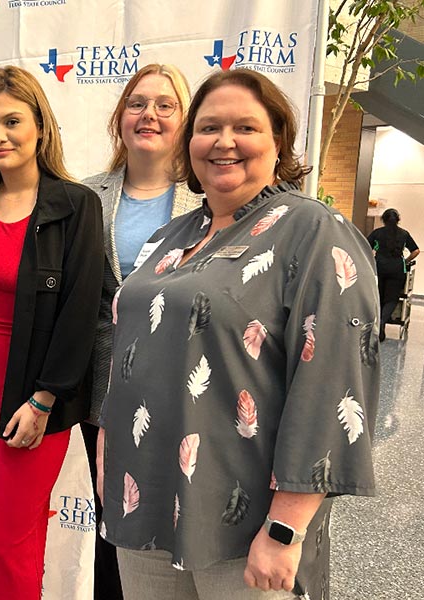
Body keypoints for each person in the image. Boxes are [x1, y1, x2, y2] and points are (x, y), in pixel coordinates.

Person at [98, 69, 379, 600]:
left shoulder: (312, 231)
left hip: (245, 523)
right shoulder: (171, 236)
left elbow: (333, 383)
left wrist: (285, 528)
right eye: (208, 128)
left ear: (279, 143)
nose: (224, 142)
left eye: (245, 128)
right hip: (147, 506)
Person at [0, 65, 104, 600]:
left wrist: (43, 399)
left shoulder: (75, 204)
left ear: (40, 125)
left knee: (9, 536)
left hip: (33, 390)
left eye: (12, 121)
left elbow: (80, 311)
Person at [81, 63, 202, 600]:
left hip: (184, 386)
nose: (149, 114)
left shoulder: (209, 197)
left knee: (179, 514)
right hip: (103, 389)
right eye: (137, 103)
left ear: (186, 120)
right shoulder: (86, 196)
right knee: (113, 523)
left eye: (165, 104)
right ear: (119, 118)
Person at [368, 208, 419, 341]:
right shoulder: (404, 234)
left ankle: (380, 324)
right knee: (391, 299)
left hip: (379, 268)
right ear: (398, 220)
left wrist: (373, 258)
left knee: (379, 297)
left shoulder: (377, 233)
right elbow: (416, 251)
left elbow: (365, 247)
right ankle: (382, 322)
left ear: (383, 220)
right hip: (397, 269)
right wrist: (405, 261)